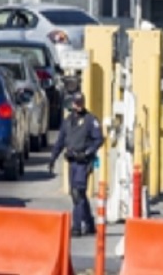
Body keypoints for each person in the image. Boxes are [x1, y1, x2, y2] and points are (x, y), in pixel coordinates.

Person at [48, 92, 104, 236]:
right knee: (77, 195)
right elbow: (60, 141)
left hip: (83, 162)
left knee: (77, 192)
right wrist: (53, 158)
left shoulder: (90, 120)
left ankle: (77, 226)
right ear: (72, 103)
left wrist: (88, 152)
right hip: (72, 161)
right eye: (76, 103)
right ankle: (89, 223)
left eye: (80, 103)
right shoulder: (68, 121)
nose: (78, 106)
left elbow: (99, 139)